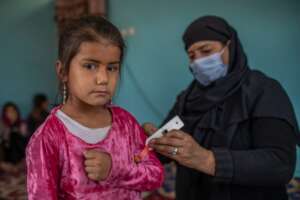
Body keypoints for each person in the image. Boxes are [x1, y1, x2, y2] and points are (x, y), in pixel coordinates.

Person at [143, 16, 299, 200]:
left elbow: (280, 164)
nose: (198, 61)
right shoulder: (188, 98)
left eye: (206, 50)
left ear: (230, 47)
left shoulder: (263, 91)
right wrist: (151, 141)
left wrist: (207, 159)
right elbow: (168, 150)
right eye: (192, 56)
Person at [26, 16, 164, 200]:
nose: (103, 79)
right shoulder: (48, 138)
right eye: (90, 66)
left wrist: (114, 169)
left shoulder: (126, 123)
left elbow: (155, 176)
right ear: (63, 71)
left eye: (112, 68)